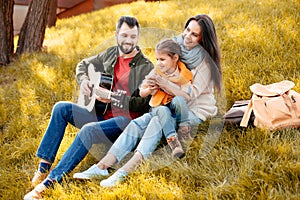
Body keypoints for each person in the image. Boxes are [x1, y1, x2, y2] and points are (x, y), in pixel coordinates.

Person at [73, 14, 222, 188]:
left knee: (157, 121)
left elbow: (189, 96)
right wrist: (150, 88)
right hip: (166, 105)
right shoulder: (178, 52)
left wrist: (163, 84)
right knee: (137, 123)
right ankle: (102, 166)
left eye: (194, 34)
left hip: (192, 111)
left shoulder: (205, 64)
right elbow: (159, 77)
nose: (187, 36)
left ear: (204, 40)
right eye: (187, 30)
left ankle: (123, 172)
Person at [24, 16, 154, 200]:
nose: (128, 41)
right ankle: (43, 169)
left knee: (88, 130)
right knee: (61, 108)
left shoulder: (146, 67)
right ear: (116, 34)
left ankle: (50, 182)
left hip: (125, 123)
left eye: (133, 36)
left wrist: (112, 98)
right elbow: (83, 65)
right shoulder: (110, 54)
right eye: (124, 35)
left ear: (138, 37)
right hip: (102, 114)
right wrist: (84, 81)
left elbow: (141, 105)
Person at [139, 38, 193, 158]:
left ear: (175, 58)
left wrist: (165, 85)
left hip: (175, 106)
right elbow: (141, 92)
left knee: (179, 99)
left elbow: (186, 97)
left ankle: (184, 129)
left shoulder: (183, 74)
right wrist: (150, 90)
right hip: (158, 107)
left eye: (162, 59)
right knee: (163, 111)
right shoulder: (155, 73)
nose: (158, 63)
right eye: (157, 59)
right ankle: (174, 143)